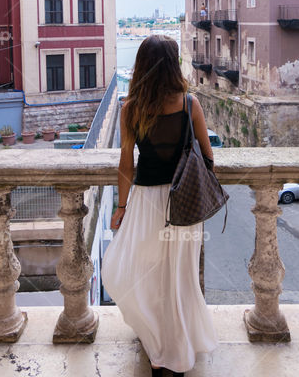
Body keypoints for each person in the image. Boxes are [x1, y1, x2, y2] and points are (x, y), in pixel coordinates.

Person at [101, 35, 218, 377]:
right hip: (183, 204)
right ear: (172, 64)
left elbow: (126, 164)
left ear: (141, 66)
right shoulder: (189, 105)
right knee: (180, 279)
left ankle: (157, 350)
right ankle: (177, 353)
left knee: (142, 276)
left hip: (146, 204)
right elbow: (208, 157)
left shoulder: (131, 109)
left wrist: (121, 207)